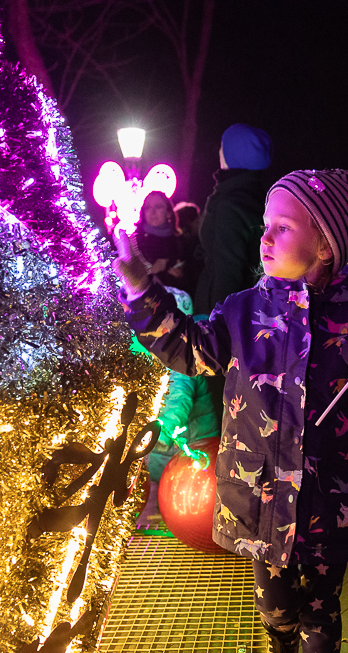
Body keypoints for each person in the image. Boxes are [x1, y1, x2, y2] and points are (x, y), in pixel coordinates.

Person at [114, 169, 348, 653]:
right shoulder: (244, 311)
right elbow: (188, 349)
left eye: (283, 227)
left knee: (321, 605)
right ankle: (278, 644)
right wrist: (143, 289)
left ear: (325, 244)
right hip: (258, 495)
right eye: (265, 226)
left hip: (328, 500)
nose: (265, 238)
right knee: (272, 598)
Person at [136, 287, 221, 529]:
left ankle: (160, 521)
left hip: (190, 449)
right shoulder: (165, 361)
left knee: (173, 496)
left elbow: (178, 401)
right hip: (173, 450)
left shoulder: (182, 366)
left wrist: (157, 438)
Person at [193, 123, 272, 313]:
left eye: (223, 146)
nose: (219, 151)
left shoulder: (230, 204)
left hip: (220, 312)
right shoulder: (257, 197)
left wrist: (218, 326)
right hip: (252, 305)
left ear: (233, 154)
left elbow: (228, 271)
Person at [129, 191, 195, 295]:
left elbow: (192, 281)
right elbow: (129, 280)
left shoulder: (180, 243)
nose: (153, 212)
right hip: (145, 304)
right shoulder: (135, 242)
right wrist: (151, 271)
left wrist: (181, 276)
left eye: (158, 207)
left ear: (169, 212)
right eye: (148, 207)